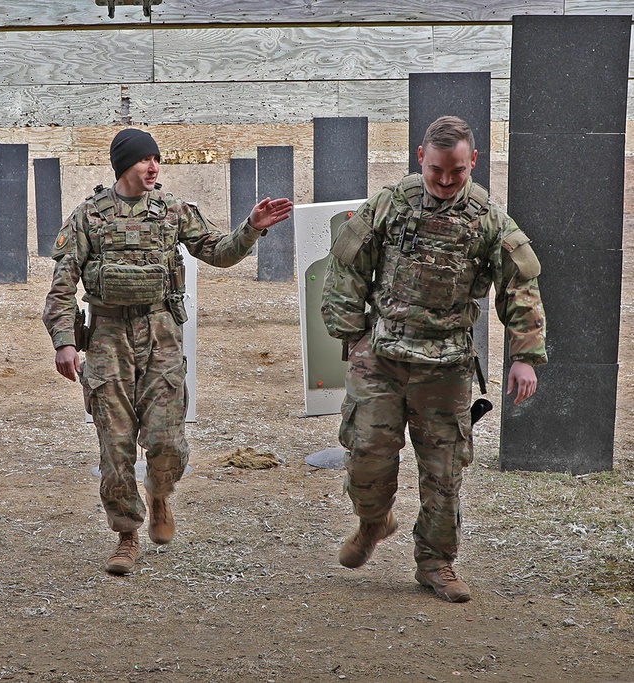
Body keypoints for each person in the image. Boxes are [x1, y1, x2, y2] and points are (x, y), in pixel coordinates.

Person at [43, 128, 294, 575]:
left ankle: (160, 494)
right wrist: (64, 342)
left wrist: (251, 228)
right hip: (107, 341)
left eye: (157, 159)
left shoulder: (173, 210)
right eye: (144, 160)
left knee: (166, 441)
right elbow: (62, 286)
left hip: (161, 337)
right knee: (115, 447)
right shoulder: (87, 217)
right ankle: (126, 535)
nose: (153, 167)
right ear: (124, 166)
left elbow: (217, 251)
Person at [320, 115, 547, 602]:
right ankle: (373, 521)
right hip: (380, 359)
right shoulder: (388, 205)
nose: (445, 182)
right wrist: (352, 336)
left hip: (445, 368)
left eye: (457, 172)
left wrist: (524, 356)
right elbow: (346, 266)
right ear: (420, 157)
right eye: (437, 171)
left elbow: (520, 285)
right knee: (366, 456)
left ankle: (436, 563)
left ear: (474, 163)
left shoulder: (489, 219)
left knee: (444, 473)